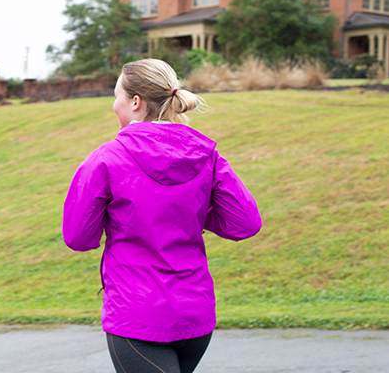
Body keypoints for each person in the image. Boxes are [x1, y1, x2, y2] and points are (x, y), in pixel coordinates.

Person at [62, 59, 262, 373]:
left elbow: (78, 238)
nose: (114, 105)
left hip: (137, 316)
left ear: (136, 103)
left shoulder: (105, 159)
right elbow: (245, 222)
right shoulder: (206, 155)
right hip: (194, 313)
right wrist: (189, 210)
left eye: (117, 97)